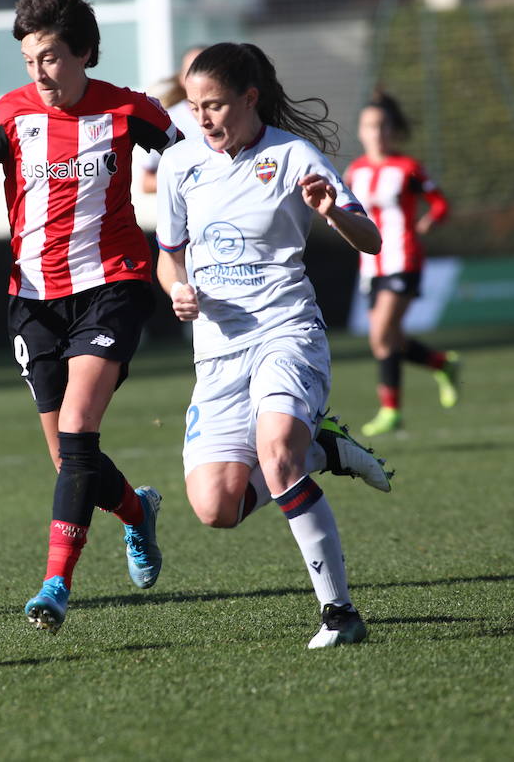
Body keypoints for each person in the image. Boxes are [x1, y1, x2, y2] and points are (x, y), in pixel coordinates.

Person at [0, 0, 181, 634]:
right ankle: (137, 512)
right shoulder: (11, 115)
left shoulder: (131, 112)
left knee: (79, 429)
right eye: (29, 61)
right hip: (33, 299)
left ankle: (55, 586)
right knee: (66, 459)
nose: (40, 73)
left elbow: (196, 165)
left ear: (84, 52)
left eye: (50, 57)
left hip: (114, 283)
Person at [155, 42, 387, 649]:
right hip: (218, 351)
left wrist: (334, 212)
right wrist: (178, 289)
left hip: (287, 333)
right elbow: (168, 258)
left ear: (249, 98)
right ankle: (322, 454)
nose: (202, 119)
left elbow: (371, 240)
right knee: (216, 508)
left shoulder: (292, 156)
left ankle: (339, 614)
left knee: (276, 450)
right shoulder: (180, 165)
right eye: (194, 106)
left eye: (215, 106)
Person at [343, 91, 458, 437]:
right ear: (361, 131)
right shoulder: (355, 171)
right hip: (370, 265)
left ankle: (391, 411)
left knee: (380, 334)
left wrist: (429, 222)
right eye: (369, 126)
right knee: (385, 339)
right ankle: (441, 363)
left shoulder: (408, 169)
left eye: (382, 126)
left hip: (403, 258)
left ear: (392, 131)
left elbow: (440, 204)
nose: (376, 133)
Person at [139, 45, 206, 194]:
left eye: (205, 69)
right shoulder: (167, 119)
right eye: (192, 70)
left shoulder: (234, 118)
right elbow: (147, 182)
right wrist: (196, 178)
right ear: (181, 78)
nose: (199, 77)